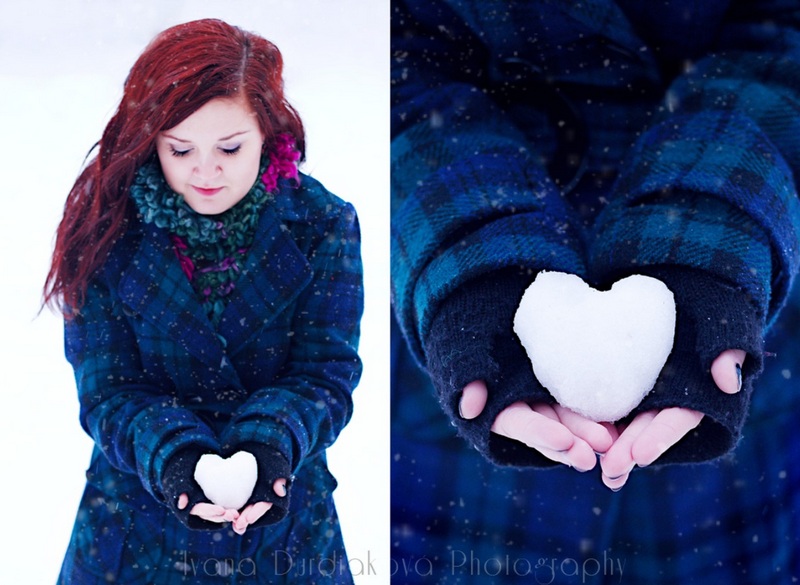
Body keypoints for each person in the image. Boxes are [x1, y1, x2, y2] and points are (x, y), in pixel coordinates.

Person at [391, 1, 800, 582]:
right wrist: (477, 258)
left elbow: (783, 32)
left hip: (736, 316)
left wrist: (707, 229)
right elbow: (394, 57)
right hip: (454, 348)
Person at [44, 19, 363, 584]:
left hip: (284, 528)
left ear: (268, 131)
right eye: (181, 148)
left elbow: (324, 373)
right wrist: (174, 456)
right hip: (136, 526)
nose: (206, 170)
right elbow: (108, 389)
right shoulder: (106, 228)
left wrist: (269, 446)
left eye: (230, 147)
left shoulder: (322, 225)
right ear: (150, 141)